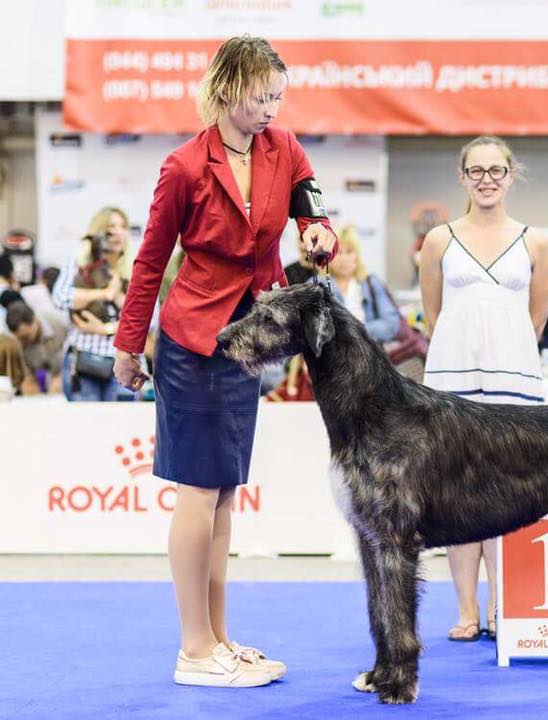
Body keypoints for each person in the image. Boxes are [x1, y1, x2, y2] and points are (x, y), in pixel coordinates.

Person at [112, 35, 338, 688]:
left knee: (223, 500)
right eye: (260, 95)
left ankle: (218, 639)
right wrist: (131, 344)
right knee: (199, 491)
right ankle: (193, 648)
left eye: (277, 96)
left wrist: (315, 232)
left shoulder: (284, 149)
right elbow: (151, 262)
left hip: (250, 339)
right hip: (193, 342)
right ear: (226, 88)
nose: (270, 107)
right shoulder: (184, 167)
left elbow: (310, 206)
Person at [419, 136, 548, 642]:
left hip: (512, 375)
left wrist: (508, 347)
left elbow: (537, 316)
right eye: (476, 170)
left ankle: (501, 606)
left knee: (505, 493)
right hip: (453, 375)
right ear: (463, 177)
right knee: (455, 494)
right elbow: (433, 313)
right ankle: (466, 610)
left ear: (511, 175)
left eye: (496, 170)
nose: (487, 179)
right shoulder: (439, 239)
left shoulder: (534, 241)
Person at [52, 207, 135, 402]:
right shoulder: (79, 262)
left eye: (122, 226)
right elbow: (60, 296)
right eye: (111, 227)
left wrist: (107, 327)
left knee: (120, 428)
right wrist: (104, 293)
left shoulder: (136, 267)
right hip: (83, 361)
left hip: (124, 365)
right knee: (85, 429)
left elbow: (149, 318)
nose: (117, 232)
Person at [4, 301, 68, 393]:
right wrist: (29, 384)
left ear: (34, 320)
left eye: (25, 337)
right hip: (45, 377)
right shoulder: (19, 342)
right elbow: (28, 375)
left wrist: (63, 375)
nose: (23, 342)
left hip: (69, 372)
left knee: (59, 386)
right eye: (19, 338)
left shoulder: (60, 323)